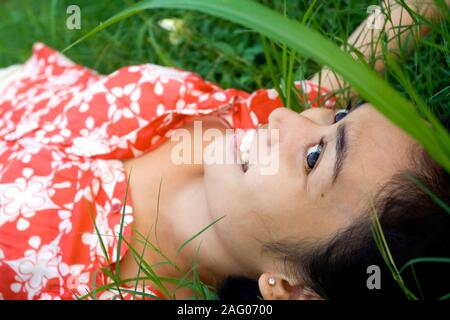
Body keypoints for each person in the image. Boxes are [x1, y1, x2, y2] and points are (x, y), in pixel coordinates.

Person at [0, 0, 448, 300]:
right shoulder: (248, 118)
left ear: (290, 287)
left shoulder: (108, 290)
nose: (284, 120)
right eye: (336, 119)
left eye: (314, 159)